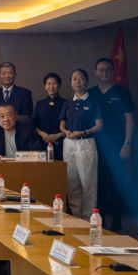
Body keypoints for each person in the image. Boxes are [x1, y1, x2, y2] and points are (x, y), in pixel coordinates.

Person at [88, 58, 135, 230]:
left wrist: (127, 143)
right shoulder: (90, 93)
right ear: (95, 72)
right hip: (95, 145)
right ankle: (99, 217)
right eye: (101, 69)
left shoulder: (122, 92)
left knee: (116, 183)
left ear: (113, 71)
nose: (104, 72)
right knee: (97, 183)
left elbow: (130, 119)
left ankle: (116, 218)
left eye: (108, 69)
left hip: (118, 145)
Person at [59, 69, 103, 220]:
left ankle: (88, 218)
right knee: (71, 182)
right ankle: (76, 217)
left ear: (87, 82)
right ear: (71, 82)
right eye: (74, 79)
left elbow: (99, 125)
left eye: (81, 79)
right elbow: (62, 124)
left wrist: (83, 132)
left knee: (88, 182)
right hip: (69, 143)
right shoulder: (68, 103)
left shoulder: (93, 101)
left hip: (86, 143)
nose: (77, 82)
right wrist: (66, 132)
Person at [33, 73, 66, 161]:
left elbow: (70, 125)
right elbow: (34, 124)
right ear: (45, 86)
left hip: (61, 142)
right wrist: (43, 135)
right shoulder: (40, 104)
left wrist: (59, 135)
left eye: (54, 83)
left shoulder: (66, 103)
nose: (51, 86)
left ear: (59, 85)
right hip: (43, 142)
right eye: (48, 84)